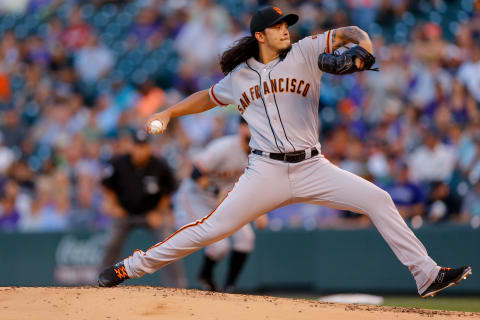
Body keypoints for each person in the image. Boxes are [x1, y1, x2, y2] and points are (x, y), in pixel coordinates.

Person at [98, 6, 471, 298]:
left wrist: (362, 53)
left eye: (286, 24)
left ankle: (426, 274)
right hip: (265, 172)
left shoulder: (307, 50)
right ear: (260, 35)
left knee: (378, 199)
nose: (285, 30)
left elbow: (353, 33)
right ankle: (129, 268)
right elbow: (206, 98)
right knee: (210, 230)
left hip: (314, 166)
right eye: (277, 26)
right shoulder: (239, 77)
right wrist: (167, 111)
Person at [174, 118, 267, 292]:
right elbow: (194, 172)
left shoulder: (262, 154)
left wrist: (260, 213)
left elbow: (257, 187)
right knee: (219, 247)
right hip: (197, 197)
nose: (254, 131)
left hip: (225, 199)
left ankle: (229, 288)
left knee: (246, 239)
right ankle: (206, 274)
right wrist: (215, 191)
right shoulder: (224, 147)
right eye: (249, 126)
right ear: (241, 127)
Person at [100, 129, 186, 288]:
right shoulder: (119, 163)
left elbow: (167, 192)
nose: (141, 150)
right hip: (125, 214)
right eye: (138, 146)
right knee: (111, 243)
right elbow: (107, 186)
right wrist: (113, 206)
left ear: (149, 147)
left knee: (169, 244)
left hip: (151, 214)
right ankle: (102, 281)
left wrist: (159, 212)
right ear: (131, 146)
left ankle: (177, 286)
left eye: (144, 146)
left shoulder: (159, 165)